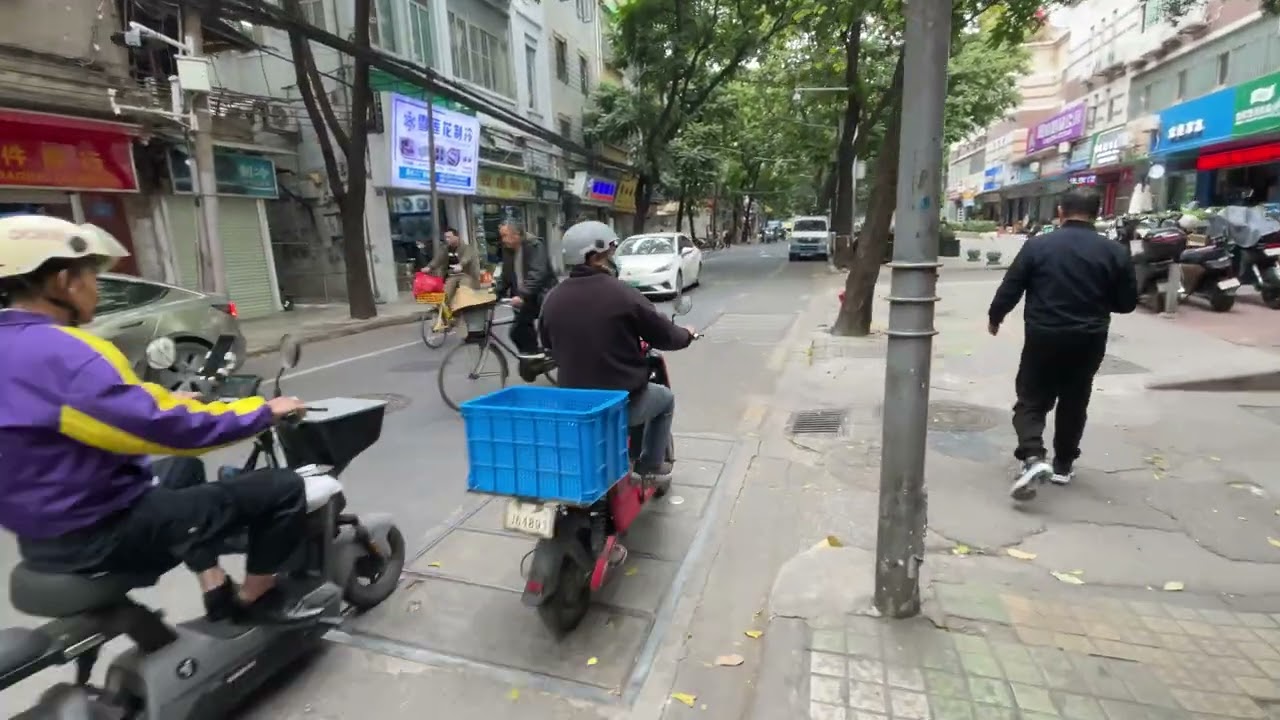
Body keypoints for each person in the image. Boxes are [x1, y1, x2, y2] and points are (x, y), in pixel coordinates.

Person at [0, 214, 321, 623]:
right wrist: (262, 413)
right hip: (101, 529)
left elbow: (96, 409)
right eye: (92, 276)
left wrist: (168, 399)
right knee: (282, 487)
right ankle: (257, 598)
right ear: (65, 281)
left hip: (42, 529)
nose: (97, 287)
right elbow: (164, 428)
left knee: (183, 471)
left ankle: (212, 582)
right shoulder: (66, 352)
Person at [988, 188, 1137, 501]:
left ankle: (1033, 456)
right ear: (1096, 213)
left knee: (1031, 398)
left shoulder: (1038, 246)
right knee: (1075, 399)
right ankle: (1063, 465)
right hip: (1089, 338)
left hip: (1044, 335)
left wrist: (995, 316)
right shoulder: (1115, 251)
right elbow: (1126, 304)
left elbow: (1011, 286)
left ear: (1060, 211)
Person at [540, 220, 696, 482]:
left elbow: (547, 342)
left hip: (575, 403)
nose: (613, 258)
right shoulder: (623, 293)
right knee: (665, 399)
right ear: (594, 255)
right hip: (620, 403)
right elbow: (664, 335)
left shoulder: (552, 298)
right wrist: (687, 335)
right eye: (610, 252)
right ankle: (649, 466)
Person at [491, 220, 557, 369]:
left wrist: (522, 295)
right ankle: (533, 360)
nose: (503, 240)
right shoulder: (508, 250)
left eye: (505, 236)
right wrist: (496, 293)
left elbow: (538, 273)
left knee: (527, 328)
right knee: (519, 331)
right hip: (524, 296)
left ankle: (539, 359)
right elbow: (506, 275)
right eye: (502, 236)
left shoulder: (534, 246)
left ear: (517, 235)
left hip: (541, 294)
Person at [426, 227, 481, 320]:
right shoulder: (445, 249)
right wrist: (429, 267)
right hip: (452, 276)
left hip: (467, 275)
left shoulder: (467, 248)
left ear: (457, 237)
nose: (447, 239)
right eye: (446, 237)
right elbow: (438, 259)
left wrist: (460, 265)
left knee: (463, 292)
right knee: (445, 294)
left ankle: (461, 313)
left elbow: (466, 258)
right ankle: (447, 317)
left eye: (449, 237)